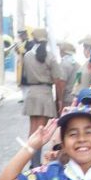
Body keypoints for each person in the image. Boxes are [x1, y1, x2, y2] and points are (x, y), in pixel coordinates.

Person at [22, 28, 64, 169]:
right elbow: (58, 79)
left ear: (33, 39)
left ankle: (31, 161)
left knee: (32, 131)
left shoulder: (27, 55)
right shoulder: (50, 56)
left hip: (32, 93)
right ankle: (35, 163)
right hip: (45, 93)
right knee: (41, 131)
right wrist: (59, 99)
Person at [58, 42, 78, 106]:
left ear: (62, 51)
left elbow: (61, 84)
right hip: (75, 98)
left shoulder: (63, 64)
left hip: (66, 99)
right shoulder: (77, 64)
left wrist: (60, 100)